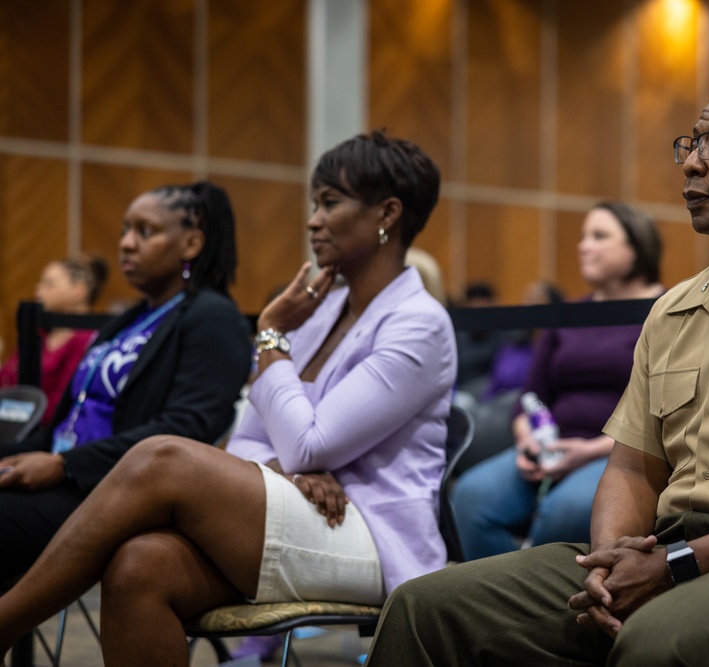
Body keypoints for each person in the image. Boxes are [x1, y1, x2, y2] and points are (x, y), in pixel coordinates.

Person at [363, 80, 709, 667]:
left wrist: (676, 567)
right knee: (425, 608)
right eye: (690, 143)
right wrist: (609, 568)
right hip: (666, 552)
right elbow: (633, 464)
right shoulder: (675, 309)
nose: (690, 162)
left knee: (664, 640)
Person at [0, 130, 456, 667]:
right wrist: (284, 467)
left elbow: (310, 444)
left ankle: (5, 621)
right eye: (314, 204)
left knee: (161, 456)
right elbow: (252, 436)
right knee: (137, 565)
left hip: (370, 534)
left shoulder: (419, 323)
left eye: (329, 203)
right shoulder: (319, 313)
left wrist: (268, 337)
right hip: (299, 510)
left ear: (388, 214)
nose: (312, 220)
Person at [0, 181, 250, 582]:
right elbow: (67, 421)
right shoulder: (129, 320)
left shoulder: (213, 319)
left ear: (190, 244)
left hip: (115, 497)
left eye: (144, 232)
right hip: (69, 482)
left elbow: (186, 430)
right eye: (124, 231)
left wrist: (65, 465)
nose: (127, 244)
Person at [452, 202, 663, 558]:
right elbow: (531, 394)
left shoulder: (665, 312)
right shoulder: (567, 313)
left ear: (635, 249)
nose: (583, 245)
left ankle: (538, 605)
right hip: (549, 448)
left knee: (567, 510)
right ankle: (497, 605)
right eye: (583, 236)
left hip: (618, 454)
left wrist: (589, 451)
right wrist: (526, 439)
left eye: (599, 236)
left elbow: (664, 415)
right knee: (471, 496)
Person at [0, 255, 108, 425]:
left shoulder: (86, 340)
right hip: (17, 421)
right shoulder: (39, 333)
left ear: (78, 291)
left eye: (49, 284)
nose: (38, 289)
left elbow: (63, 403)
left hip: (48, 430)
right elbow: (6, 376)